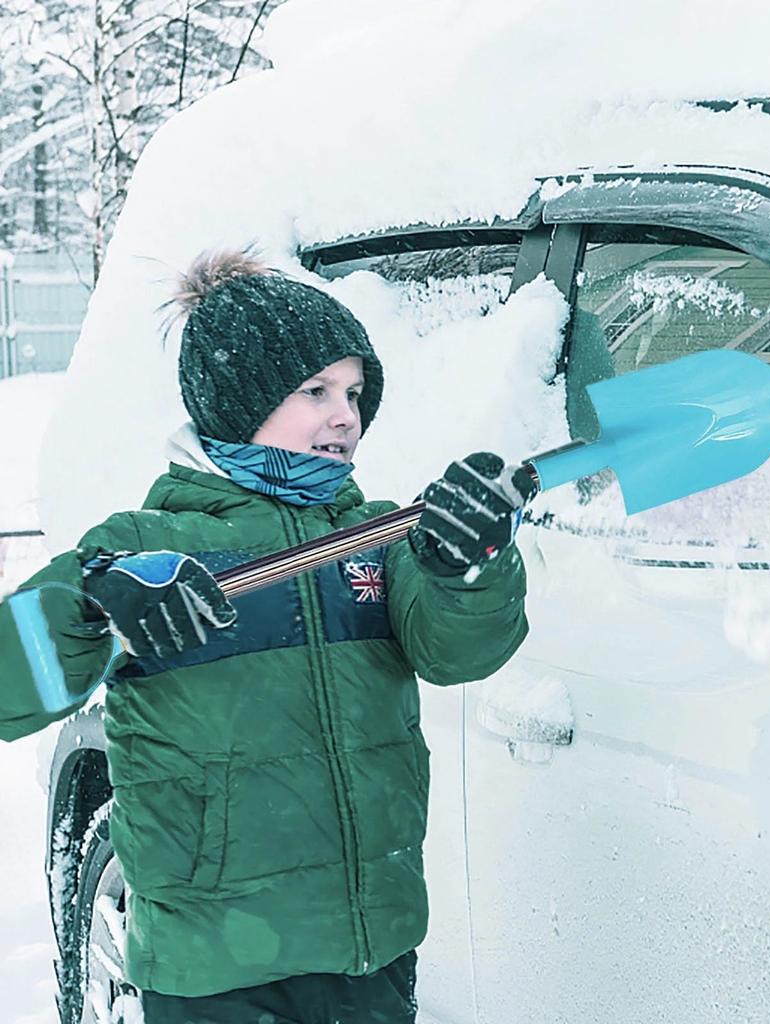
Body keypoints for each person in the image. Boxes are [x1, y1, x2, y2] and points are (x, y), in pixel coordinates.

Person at [0, 250, 535, 1023]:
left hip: (370, 950)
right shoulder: (148, 545)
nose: (345, 415)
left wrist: (467, 567)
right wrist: (89, 604)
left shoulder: (378, 537)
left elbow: (460, 651)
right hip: (217, 969)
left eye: (355, 393)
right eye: (316, 391)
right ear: (238, 400)